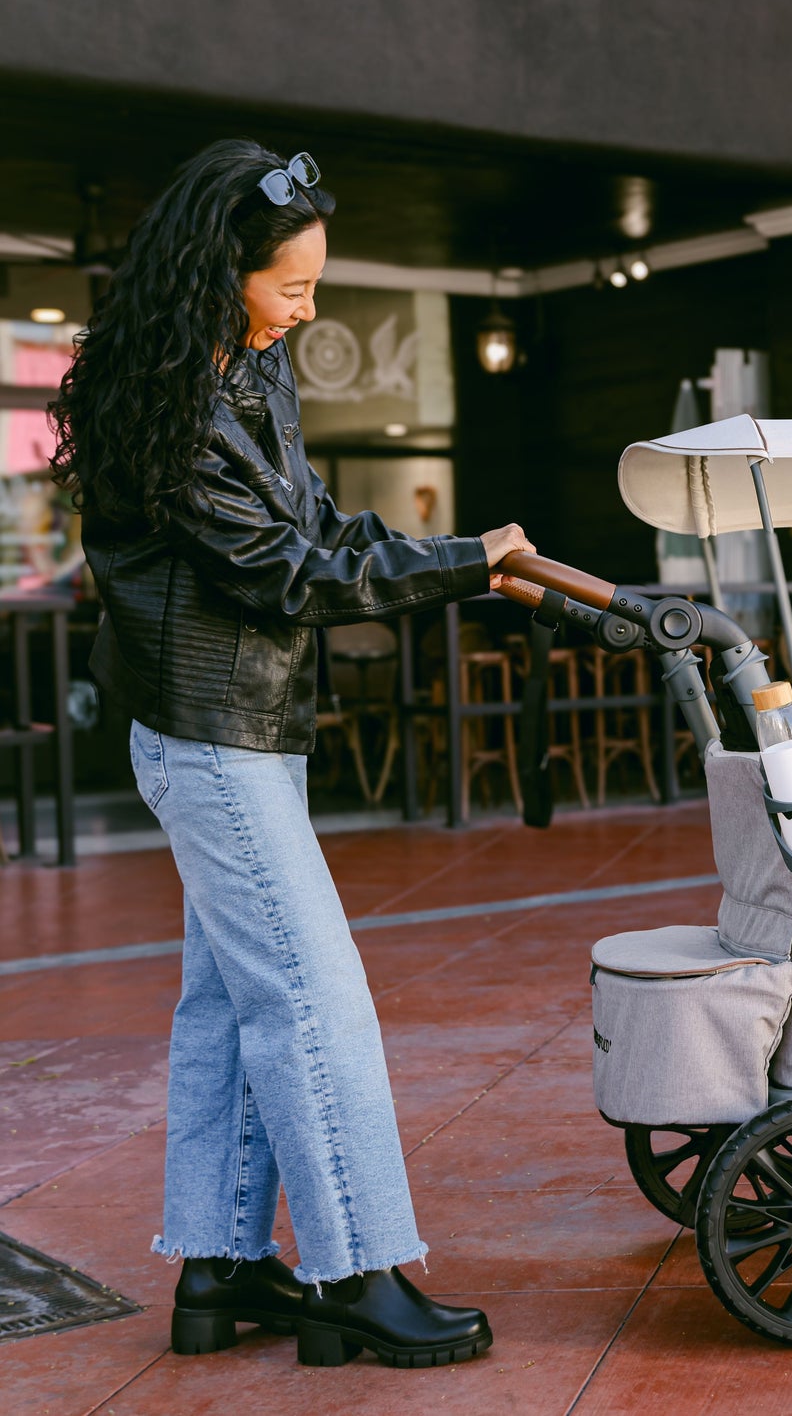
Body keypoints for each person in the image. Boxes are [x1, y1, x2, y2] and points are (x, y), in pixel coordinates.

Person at [49, 140, 532, 1370]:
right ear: (224, 273)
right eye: (294, 288)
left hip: (247, 731)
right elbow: (288, 572)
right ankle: (358, 1271)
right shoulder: (167, 403)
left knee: (226, 1004)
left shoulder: (242, 371)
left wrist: (464, 556)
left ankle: (216, 1270)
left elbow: (316, 524)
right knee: (314, 1003)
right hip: (212, 741)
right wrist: (463, 563)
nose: (305, 310)